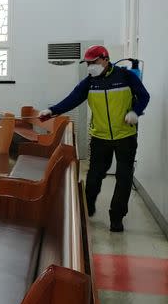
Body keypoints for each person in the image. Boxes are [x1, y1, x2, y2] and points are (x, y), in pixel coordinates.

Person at [39, 45, 150, 232]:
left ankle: (116, 217)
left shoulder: (125, 76)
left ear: (105, 59)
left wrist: (135, 112)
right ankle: (87, 207)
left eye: (93, 62)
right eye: (88, 63)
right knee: (94, 176)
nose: (90, 66)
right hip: (100, 137)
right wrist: (52, 111)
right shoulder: (89, 83)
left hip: (126, 136)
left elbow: (144, 96)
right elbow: (72, 99)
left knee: (124, 177)